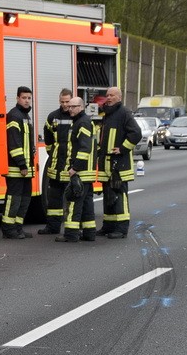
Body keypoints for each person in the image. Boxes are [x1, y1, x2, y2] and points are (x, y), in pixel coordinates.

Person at [97, 87, 142, 239]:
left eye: (112, 95)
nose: (108, 98)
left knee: (120, 195)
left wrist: (122, 148)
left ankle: (122, 229)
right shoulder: (107, 114)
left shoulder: (124, 113)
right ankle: (108, 226)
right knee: (108, 196)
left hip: (119, 165)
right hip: (107, 164)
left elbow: (136, 133)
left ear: (119, 97)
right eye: (107, 95)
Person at [57, 98, 97, 242]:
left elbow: (85, 148)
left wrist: (75, 168)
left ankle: (71, 234)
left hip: (81, 172)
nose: (70, 109)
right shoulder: (81, 121)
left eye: (73, 106)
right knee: (86, 204)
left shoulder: (82, 122)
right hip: (86, 172)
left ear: (81, 107)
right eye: (69, 106)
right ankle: (89, 233)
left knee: (74, 202)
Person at [2, 86, 36, 239]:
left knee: (25, 199)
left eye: (29, 98)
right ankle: (9, 229)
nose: (27, 100)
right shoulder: (14, 116)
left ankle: (18, 228)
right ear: (17, 98)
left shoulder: (25, 116)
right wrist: (22, 164)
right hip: (16, 168)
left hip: (25, 168)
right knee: (14, 199)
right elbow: (13, 143)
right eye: (24, 98)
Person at [39, 89, 74, 235]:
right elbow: (47, 133)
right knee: (54, 199)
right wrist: (51, 151)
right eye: (62, 102)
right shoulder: (53, 117)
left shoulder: (77, 117)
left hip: (70, 166)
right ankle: (53, 227)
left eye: (67, 102)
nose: (65, 105)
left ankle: (71, 229)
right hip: (55, 165)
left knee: (71, 199)